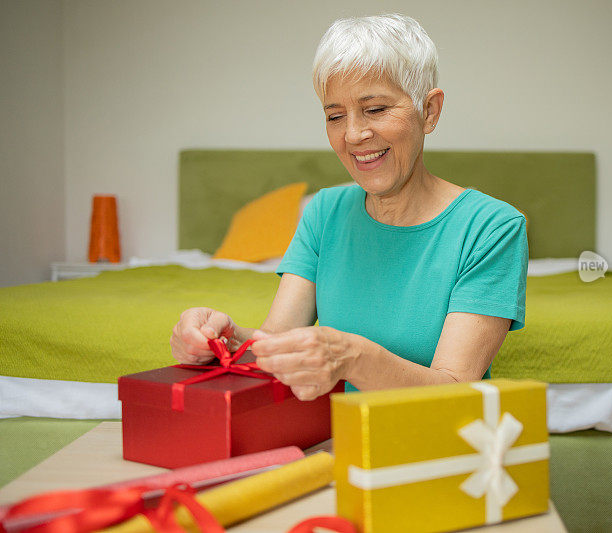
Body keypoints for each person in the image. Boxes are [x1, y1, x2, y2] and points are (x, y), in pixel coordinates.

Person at [170, 14, 528, 401]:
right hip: (331, 440)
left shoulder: (492, 228)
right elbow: (277, 344)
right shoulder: (324, 213)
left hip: (430, 452)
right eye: (335, 116)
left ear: (429, 111)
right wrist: (224, 338)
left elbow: (455, 389)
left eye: (375, 109)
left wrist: (354, 358)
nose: (354, 134)